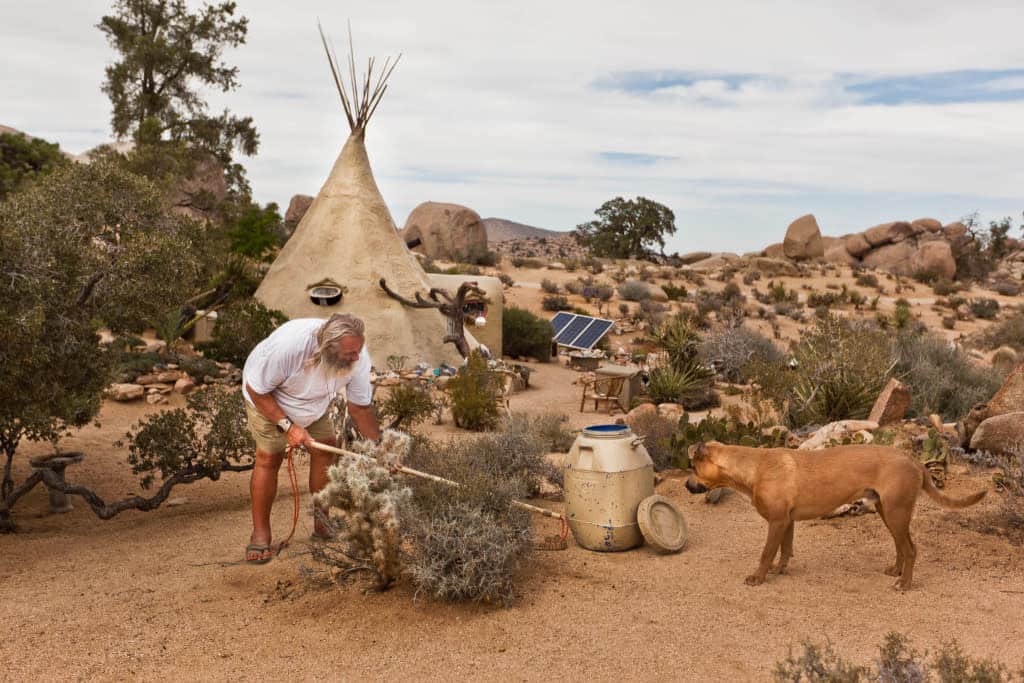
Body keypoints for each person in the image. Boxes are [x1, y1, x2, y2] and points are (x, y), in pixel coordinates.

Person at [241, 313, 381, 564]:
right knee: (269, 456)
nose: (357, 358)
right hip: (269, 399)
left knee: (326, 448)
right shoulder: (290, 347)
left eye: (358, 351)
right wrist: (289, 427)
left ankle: (323, 523)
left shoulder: (357, 356)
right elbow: (257, 389)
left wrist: (381, 450)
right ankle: (260, 533)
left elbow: (360, 408)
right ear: (328, 349)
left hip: (312, 403)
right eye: (350, 353)